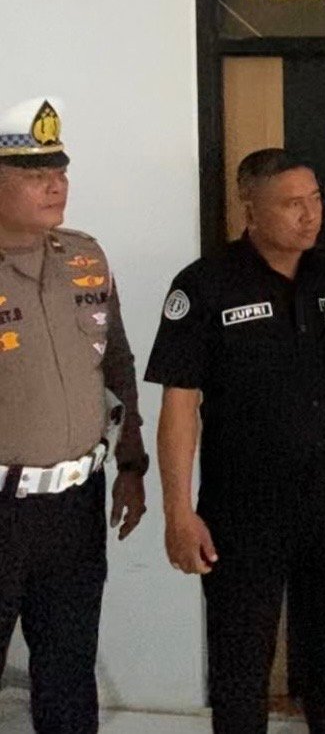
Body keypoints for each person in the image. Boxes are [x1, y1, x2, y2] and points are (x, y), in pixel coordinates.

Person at [144, 148, 325, 734]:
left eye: (315, 199)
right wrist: (178, 511)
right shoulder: (205, 285)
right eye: (292, 204)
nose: (310, 214)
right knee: (241, 665)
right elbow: (180, 404)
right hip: (242, 509)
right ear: (249, 209)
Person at [0, 97, 148, 733]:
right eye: (35, 174)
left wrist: (132, 464)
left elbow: (116, 363)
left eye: (60, 171)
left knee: (67, 672)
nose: (56, 185)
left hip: (74, 506)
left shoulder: (84, 256)